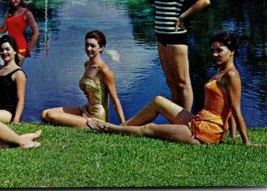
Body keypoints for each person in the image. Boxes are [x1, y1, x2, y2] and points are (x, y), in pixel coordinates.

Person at [87, 31, 253, 146]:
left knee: (150, 129)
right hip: (200, 120)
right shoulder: (221, 70)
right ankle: (123, 128)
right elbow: (227, 105)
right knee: (158, 101)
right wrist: (231, 134)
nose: (215, 54)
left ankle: (110, 129)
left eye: (219, 51)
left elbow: (235, 109)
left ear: (231, 51)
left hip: (207, 133)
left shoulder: (232, 75)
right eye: (213, 51)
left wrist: (246, 141)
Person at [152, 0, 210, 111]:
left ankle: (185, 122)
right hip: (160, 35)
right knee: (171, 83)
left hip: (175, 36)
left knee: (183, 83)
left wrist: (182, 17)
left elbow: (204, 0)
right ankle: (175, 119)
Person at [41, 30, 126, 128]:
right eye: (87, 45)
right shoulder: (87, 65)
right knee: (44, 113)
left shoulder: (105, 71)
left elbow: (115, 101)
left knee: (51, 116)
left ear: (101, 47)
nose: (88, 48)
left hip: (97, 117)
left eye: (93, 46)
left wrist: (124, 125)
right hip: (85, 109)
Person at [0, 0, 39, 65]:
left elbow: (36, 32)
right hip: (9, 46)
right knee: (6, 72)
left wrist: (28, 50)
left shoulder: (27, 13)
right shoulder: (9, 14)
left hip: (20, 46)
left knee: (15, 71)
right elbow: (3, 30)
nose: (13, 0)